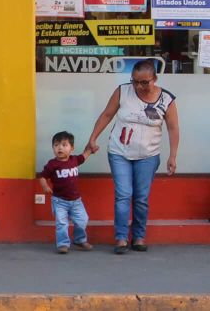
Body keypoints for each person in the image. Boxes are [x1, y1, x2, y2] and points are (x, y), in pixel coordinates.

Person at [86, 60, 180, 255]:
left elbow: (173, 128)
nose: (139, 86)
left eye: (144, 82)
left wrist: (173, 156)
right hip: (119, 152)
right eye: (135, 81)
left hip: (148, 155)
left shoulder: (167, 100)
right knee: (123, 195)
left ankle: (138, 236)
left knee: (141, 198)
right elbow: (107, 115)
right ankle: (121, 238)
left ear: (155, 79)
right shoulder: (122, 91)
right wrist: (93, 138)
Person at [39, 131, 93, 254]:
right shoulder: (52, 164)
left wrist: (90, 150)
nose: (60, 148)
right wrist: (45, 186)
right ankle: (63, 244)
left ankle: (80, 240)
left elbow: (84, 156)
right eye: (56, 145)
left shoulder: (74, 160)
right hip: (59, 201)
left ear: (71, 148)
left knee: (83, 220)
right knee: (62, 223)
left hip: (76, 201)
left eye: (64, 145)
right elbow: (42, 177)